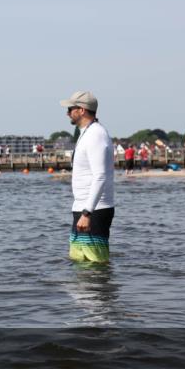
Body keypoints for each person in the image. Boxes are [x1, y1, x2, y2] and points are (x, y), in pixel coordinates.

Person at [60, 91, 115, 264]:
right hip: (84, 208)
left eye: (70, 108)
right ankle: (83, 292)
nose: (67, 113)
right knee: (79, 261)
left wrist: (87, 212)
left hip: (94, 210)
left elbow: (100, 176)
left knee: (95, 264)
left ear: (82, 110)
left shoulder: (95, 135)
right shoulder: (86, 133)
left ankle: (99, 292)